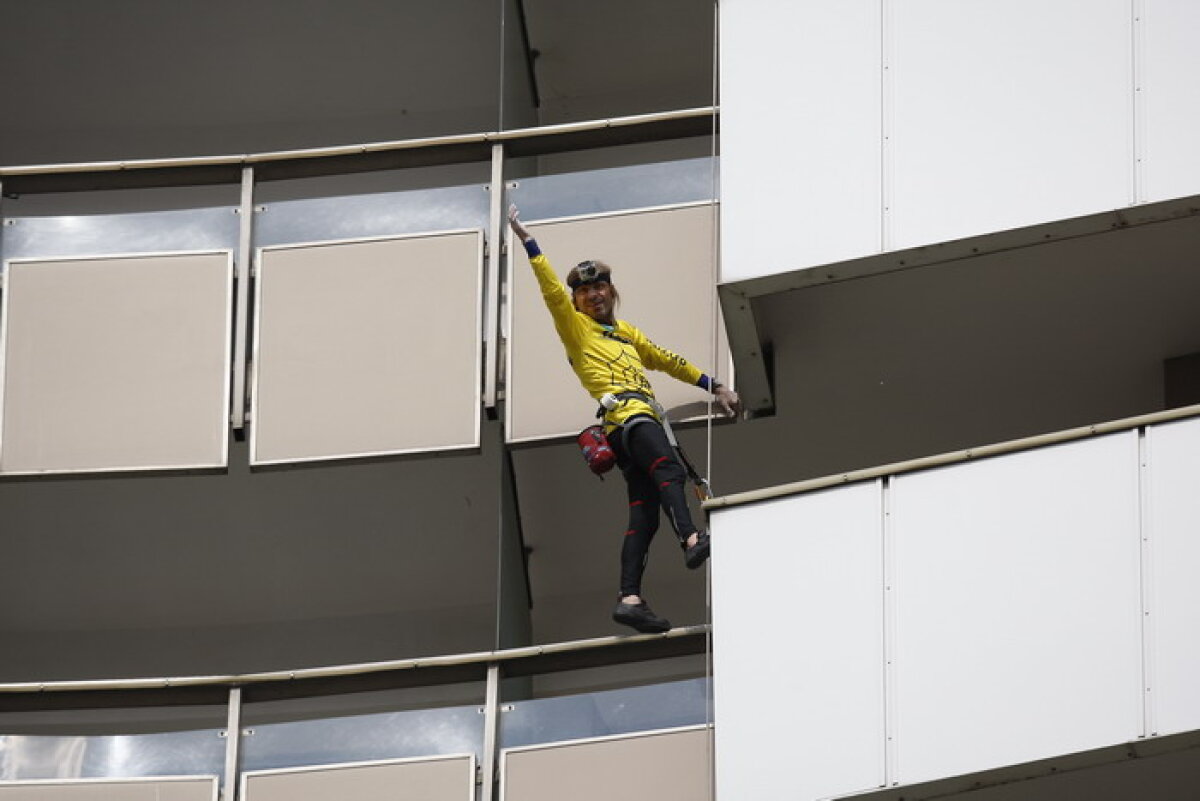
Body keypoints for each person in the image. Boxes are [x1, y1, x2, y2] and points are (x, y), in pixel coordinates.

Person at [508, 204, 741, 634]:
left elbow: (666, 360)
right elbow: (553, 296)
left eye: (601, 287)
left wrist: (715, 385)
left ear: (612, 292)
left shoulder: (626, 332)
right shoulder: (576, 329)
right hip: (630, 418)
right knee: (667, 468)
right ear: (577, 300)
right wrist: (530, 244)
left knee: (644, 516)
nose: (594, 294)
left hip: (631, 428)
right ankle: (692, 538)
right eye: (585, 291)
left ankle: (630, 599)